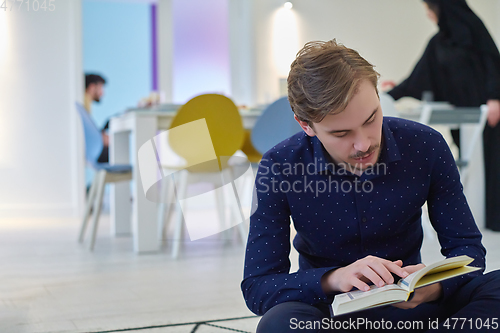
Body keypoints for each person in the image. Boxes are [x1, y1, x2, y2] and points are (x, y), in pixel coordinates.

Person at [241, 39, 500, 332]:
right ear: (306, 125)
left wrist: (435, 287)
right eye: (341, 133)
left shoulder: (426, 146)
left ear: (378, 96)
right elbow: (258, 287)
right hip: (328, 315)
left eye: (371, 118)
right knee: (278, 324)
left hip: (418, 311)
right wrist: (335, 278)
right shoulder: (279, 166)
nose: (363, 144)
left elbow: (469, 253)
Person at [383, 0, 500, 231]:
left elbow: (492, 63)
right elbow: (419, 77)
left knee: (494, 165)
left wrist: (495, 98)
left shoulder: (475, 32)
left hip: (489, 115)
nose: (428, 14)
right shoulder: (437, 43)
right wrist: (390, 94)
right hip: (463, 118)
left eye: (430, 8)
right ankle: (481, 222)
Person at [84, 73, 109, 163]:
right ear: (92, 87)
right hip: (92, 150)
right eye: (101, 88)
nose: (102, 93)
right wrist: (101, 138)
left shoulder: (86, 101)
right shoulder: (85, 100)